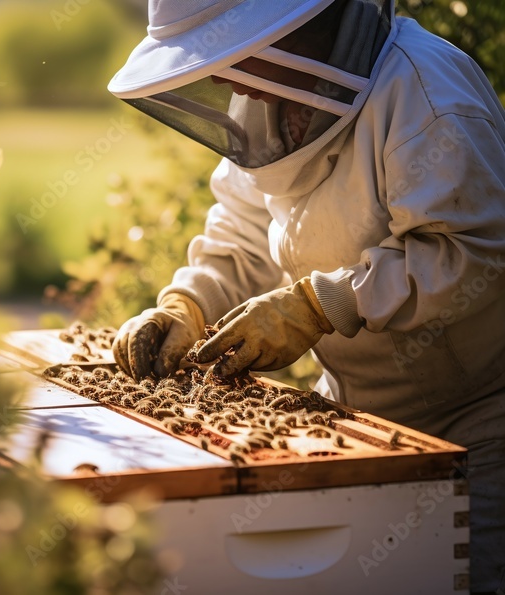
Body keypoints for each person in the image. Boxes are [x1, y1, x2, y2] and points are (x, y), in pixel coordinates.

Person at [109, 0, 505, 592]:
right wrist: (186, 305)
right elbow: (242, 233)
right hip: (356, 414)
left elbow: (471, 252)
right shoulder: (268, 95)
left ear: (289, 26)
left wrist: (322, 304)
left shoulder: (425, 91)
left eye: (227, 50)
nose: (218, 76)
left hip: (478, 420)